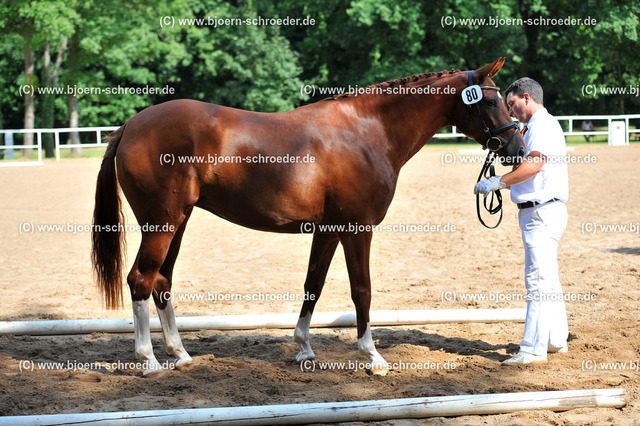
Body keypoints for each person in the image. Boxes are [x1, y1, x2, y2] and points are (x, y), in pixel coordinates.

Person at [474, 77, 569, 365]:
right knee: (547, 278)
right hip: (540, 210)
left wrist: (498, 182)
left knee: (537, 280)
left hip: (541, 211)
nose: (511, 111)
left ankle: (533, 348)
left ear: (526, 98)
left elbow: (535, 164)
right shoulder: (534, 127)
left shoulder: (542, 125)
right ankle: (554, 339)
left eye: (512, 104)